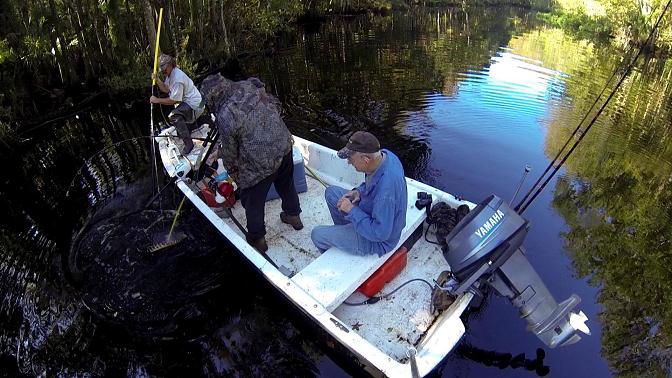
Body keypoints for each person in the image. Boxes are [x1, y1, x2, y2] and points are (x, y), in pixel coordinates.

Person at [200, 74, 303, 253]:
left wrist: (235, 175)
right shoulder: (249, 86)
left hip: (259, 165)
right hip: (284, 146)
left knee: (252, 201)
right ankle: (294, 216)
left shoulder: (225, 113)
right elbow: (276, 105)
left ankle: (258, 239)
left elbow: (231, 153)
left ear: (212, 98)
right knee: (287, 185)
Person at [311, 131, 407, 256]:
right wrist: (359, 192)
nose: (348, 162)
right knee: (331, 193)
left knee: (317, 235)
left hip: (379, 240)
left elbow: (380, 233)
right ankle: (348, 231)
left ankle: (340, 251)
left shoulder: (386, 192)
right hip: (372, 214)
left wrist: (351, 210)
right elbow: (373, 182)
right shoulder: (386, 156)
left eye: (351, 159)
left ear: (366, 159)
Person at [150, 53, 205, 154]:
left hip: (196, 105)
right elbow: (166, 89)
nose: (163, 72)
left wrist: (157, 100)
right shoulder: (171, 74)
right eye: (162, 71)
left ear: (170, 65)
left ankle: (189, 144)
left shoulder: (177, 79)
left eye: (165, 70)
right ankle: (189, 128)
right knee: (178, 113)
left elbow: (173, 100)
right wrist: (157, 80)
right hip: (195, 101)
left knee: (173, 116)